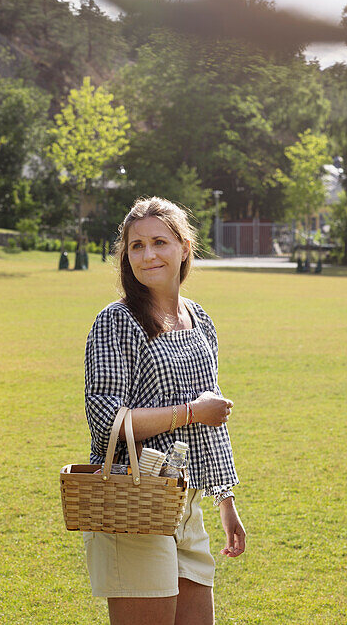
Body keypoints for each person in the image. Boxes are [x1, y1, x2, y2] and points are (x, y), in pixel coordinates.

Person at [83, 196, 246, 625]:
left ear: (184, 247)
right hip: (135, 500)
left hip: (186, 502)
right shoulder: (116, 322)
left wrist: (225, 500)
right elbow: (106, 422)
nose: (148, 254)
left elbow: (213, 421)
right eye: (136, 246)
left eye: (160, 241)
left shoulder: (200, 320)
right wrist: (191, 411)